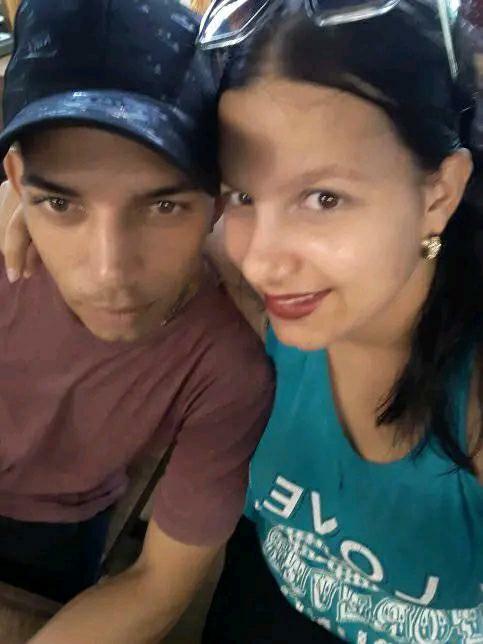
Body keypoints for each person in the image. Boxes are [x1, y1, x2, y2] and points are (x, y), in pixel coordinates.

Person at [198, 1, 483, 642]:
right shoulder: (249, 289)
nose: (262, 261)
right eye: (243, 195)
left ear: (439, 194)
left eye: (324, 198)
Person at [0, 0, 272, 642]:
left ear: (217, 201)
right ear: (16, 180)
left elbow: (157, 586)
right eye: (60, 202)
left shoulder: (228, 366)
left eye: (163, 206)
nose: (109, 272)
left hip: (61, 526)